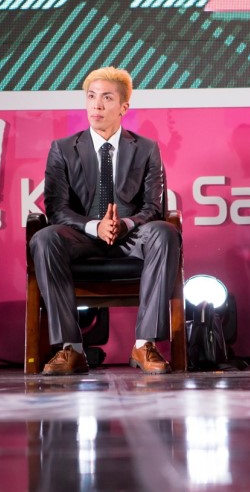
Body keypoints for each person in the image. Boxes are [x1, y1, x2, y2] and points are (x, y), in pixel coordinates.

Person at [30, 67, 181, 375]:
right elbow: (56, 209)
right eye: (91, 97)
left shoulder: (146, 149)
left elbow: (153, 207)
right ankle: (71, 348)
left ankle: (145, 344)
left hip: (131, 236)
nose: (96, 105)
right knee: (44, 238)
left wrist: (124, 224)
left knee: (164, 232)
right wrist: (94, 227)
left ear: (124, 107)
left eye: (107, 98)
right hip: (82, 237)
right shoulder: (63, 149)